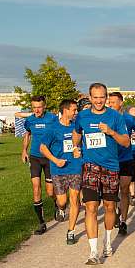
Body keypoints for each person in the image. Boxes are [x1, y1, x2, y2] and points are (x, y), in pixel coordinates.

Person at [73, 83, 129, 265]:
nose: (98, 101)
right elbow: (76, 133)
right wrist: (76, 146)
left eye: (102, 97)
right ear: (90, 98)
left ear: (106, 98)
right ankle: (93, 251)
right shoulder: (82, 116)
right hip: (90, 166)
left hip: (111, 167)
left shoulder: (115, 116)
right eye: (95, 97)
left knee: (110, 207)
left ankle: (107, 242)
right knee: (90, 207)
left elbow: (126, 142)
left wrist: (111, 132)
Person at [39, 99, 83, 245]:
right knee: (63, 201)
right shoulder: (53, 128)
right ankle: (60, 208)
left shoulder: (77, 127)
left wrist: (79, 151)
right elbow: (42, 148)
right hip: (58, 169)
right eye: (74, 110)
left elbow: (82, 144)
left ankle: (71, 231)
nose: (76, 112)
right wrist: (56, 160)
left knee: (75, 200)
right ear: (65, 110)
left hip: (75, 167)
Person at [21, 95, 59, 235]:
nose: (36, 110)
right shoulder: (29, 120)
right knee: (36, 188)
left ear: (44, 106)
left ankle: (57, 204)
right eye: (34, 107)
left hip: (49, 158)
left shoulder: (53, 119)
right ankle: (41, 223)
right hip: (35, 158)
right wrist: (24, 150)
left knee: (50, 192)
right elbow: (27, 134)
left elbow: (58, 134)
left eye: (39, 107)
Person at [108, 92, 135, 236]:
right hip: (111, 160)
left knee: (124, 190)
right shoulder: (106, 118)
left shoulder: (129, 119)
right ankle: (115, 212)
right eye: (110, 102)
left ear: (121, 103)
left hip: (126, 159)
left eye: (113, 102)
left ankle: (124, 222)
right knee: (112, 192)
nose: (110, 104)